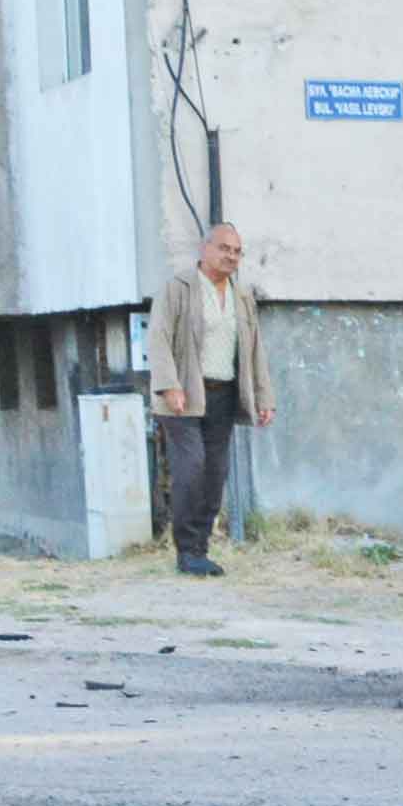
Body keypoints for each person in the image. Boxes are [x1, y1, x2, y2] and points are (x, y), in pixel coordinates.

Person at [150, 222, 273, 578]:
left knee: (215, 474)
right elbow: (158, 338)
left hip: (223, 394)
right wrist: (169, 386)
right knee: (192, 468)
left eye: (237, 251)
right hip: (184, 395)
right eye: (224, 248)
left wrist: (264, 397)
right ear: (205, 249)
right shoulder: (178, 288)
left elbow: (254, 350)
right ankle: (187, 551)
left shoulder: (242, 296)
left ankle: (199, 550)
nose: (231, 256)